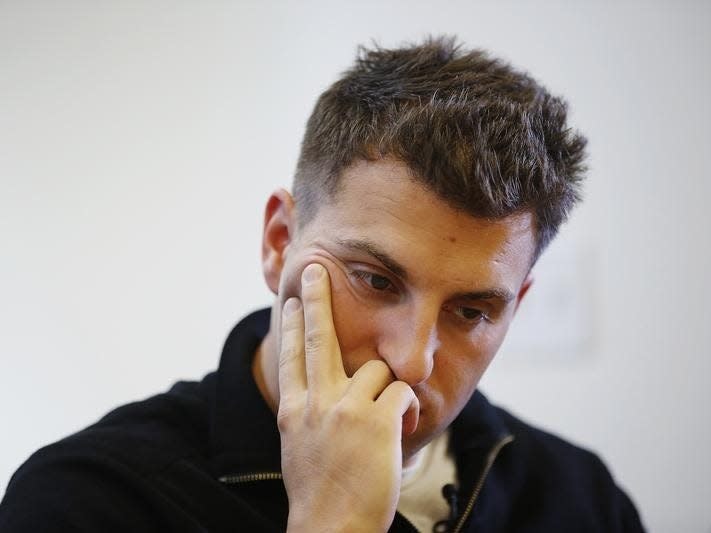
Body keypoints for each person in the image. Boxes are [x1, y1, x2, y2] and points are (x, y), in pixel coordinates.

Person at [0, 36, 645, 532]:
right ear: (279, 242)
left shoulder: (581, 497)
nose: (413, 359)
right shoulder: (86, 499)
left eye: (472, 311)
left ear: (517, 307)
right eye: (375, 279)